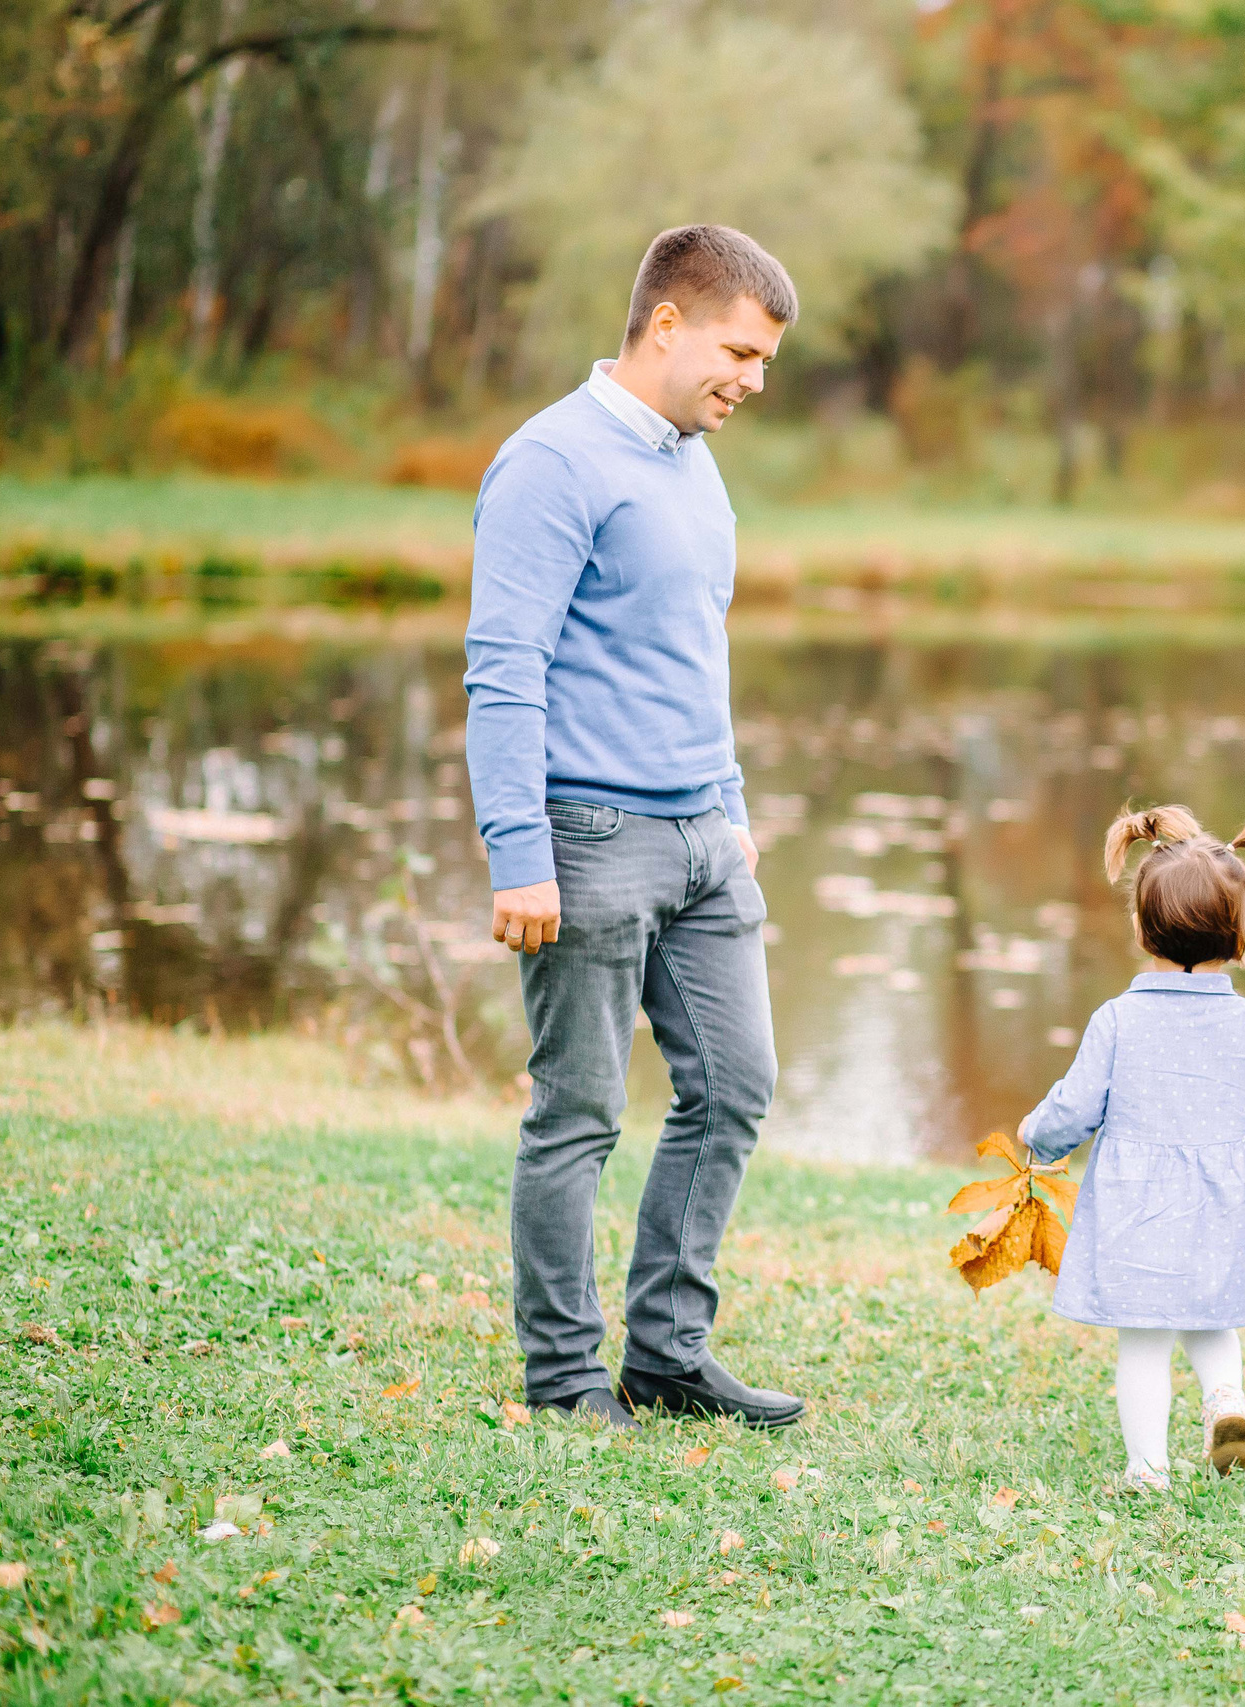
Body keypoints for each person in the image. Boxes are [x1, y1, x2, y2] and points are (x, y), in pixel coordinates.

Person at [465, 225, 803, 1431]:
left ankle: (666, 1354)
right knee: (580, 1117)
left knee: (736, 1087)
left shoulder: (687, 454)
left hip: (707, 837)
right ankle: (562, 1380)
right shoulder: (550, 463)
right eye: (739, 352)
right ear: (666, 323)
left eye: (763, 362)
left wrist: (734, 808)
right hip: (590, 839)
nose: (752, 381)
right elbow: (504, 669)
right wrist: (520, 854)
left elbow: (691, 645)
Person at [1020, 807, 1245, 1490]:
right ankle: (1226, 1400)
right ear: (1239, 932)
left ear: (1142, 927)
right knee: (1212, 1319)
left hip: (1136, 1213)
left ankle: (1148, 1469)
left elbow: (1075, 1106)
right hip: (1225, 1210)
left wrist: (1037, 1132)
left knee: (1144, 1342)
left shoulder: (1118, 1019)